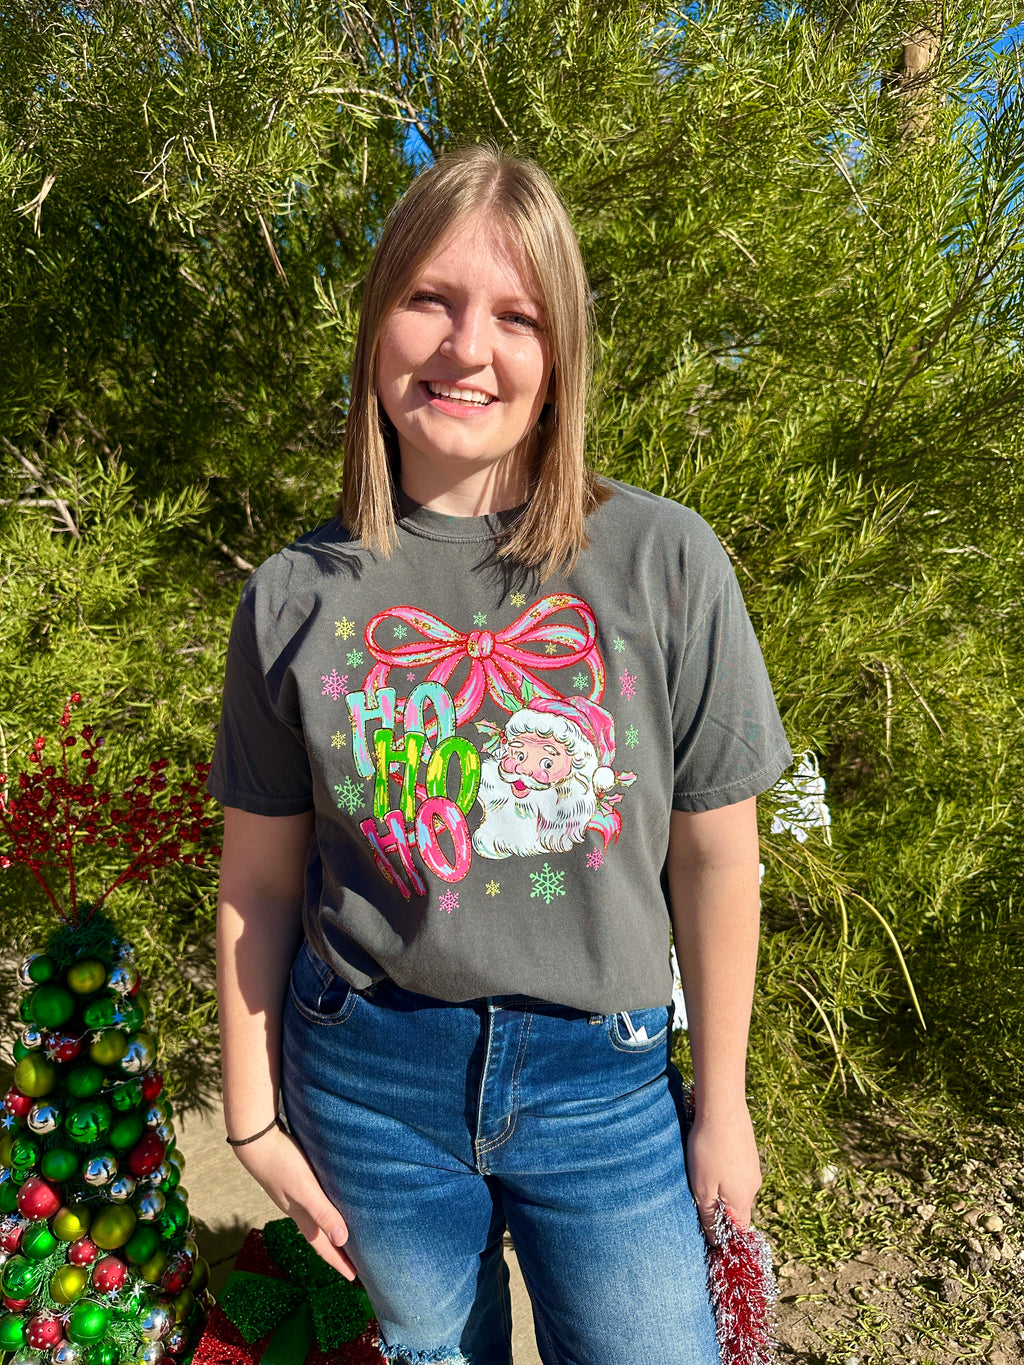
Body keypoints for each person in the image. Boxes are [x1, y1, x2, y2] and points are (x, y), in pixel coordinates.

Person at [210, 144, 792, 1365]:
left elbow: (715, 861)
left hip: (607, 1090)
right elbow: (260, 883)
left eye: (516, 316)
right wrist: (253, 1113)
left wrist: (723, 1106)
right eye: (429, 299)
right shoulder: (292, 596)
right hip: (369, 1083)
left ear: (559, 355)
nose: (467, 348)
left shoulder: (662, 561)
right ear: (376, 327)